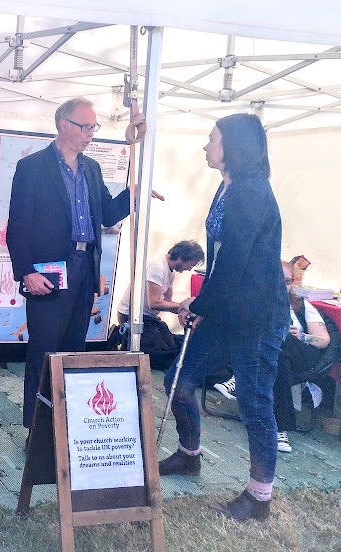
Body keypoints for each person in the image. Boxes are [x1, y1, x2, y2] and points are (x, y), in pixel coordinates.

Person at [158, 113, 290, 523]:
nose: (205, 145)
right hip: (226, 309)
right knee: (178, 380)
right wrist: (204, 305)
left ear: (233, 145)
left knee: (254, 403)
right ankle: (190, 454)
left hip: (255, 317)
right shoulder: (227, 185)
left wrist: (196, 305)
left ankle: (259, 498)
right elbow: (218, 262)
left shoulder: (251, 192)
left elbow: (232, 264)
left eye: (212, 138)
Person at [6, 97, 136, 430]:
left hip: (84, 268)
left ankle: (65, 433)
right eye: (86, 126)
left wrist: (133, 194)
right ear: (64, 125)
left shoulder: (92, 169)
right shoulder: (32, 167)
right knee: (44, 352)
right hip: (47, 273)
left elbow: (106, 214)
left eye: (94, 126)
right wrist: (25, 273)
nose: (91, 132)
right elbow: (17, 226)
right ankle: (37, 433)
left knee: (73, 352)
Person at [213, 260, 335, 453]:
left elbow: (324, 340)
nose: (284, 286)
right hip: (276, 358)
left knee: (281, 338)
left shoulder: (302, 305)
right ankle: (280, 429)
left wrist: (302, 336)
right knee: (278, 362)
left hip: (303, 356)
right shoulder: (257, 302)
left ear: (293, 282)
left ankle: (239, 380)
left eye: (288, 281)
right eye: (279, 281)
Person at [116, 240, 205, 370]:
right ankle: (126, 340)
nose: (189, 269)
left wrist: (184, 311)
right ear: (181, 258)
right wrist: (186, 307)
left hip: (149, 317)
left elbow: (168, 301)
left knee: (172, 345)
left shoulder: (171, 271)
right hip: (133, 315)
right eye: (190, 265)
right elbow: (154, 303)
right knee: (161, 354)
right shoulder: (156, 266)